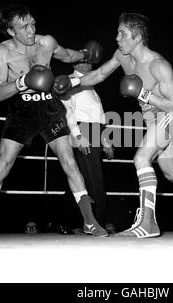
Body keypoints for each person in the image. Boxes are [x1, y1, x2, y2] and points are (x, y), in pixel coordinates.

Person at [53, 12, 173, 238]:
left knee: (141, 158)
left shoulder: (158, 65)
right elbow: (99, 74)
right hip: (152, 118)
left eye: (122, 33)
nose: (117, 38)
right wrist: (73, 82)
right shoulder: (122, 56)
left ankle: (148, 223)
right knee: (170, 171)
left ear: (137, 36)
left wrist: (144, 94)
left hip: (170, 114)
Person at [0, 4, 107, 239]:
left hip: (50, 110)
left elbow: (67, 55)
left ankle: (89, 221)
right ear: (11, 31)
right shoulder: (2, 51)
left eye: (33, 23)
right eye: (24, 27)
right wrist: (23, 81)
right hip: (21, 111)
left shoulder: (46, 42)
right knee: (3, 164)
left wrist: (86, 55)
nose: (31, 30)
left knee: (69, 161)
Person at [60, 61, 115, 232]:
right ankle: (97, 221)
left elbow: (97, 114)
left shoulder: (90, 82)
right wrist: (78, 135)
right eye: (85, 59)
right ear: (76, 63)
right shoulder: (69, 80)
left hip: (95, 130)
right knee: (94, 179)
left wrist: (105, 142)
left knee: (81, 178)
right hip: (83, 130)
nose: (89, 62)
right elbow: (67, 111)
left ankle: (68, 222)